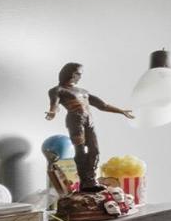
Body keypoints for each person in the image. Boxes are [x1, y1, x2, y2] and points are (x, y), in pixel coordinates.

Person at [45, 62, 134, 190]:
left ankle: (91, 180)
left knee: (95, 151)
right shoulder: (58, 90)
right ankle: (85, 183)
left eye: (80, 74)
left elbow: (102, 105)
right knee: (80, 151)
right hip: (76, 121)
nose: (79, 77)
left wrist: (121, 111)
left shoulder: (83, 91)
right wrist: (52, 112)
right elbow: (55, 105)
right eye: (77, 73)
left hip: (89, 121)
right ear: (69, 73)